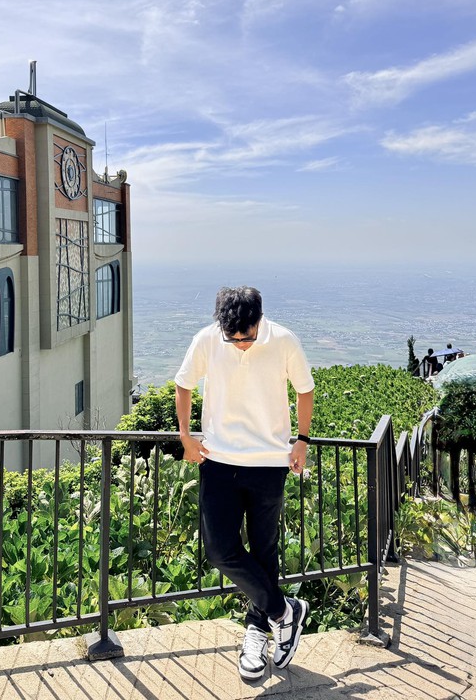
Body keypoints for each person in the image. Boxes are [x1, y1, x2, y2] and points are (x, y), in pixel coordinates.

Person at [175, 286, 315, 680]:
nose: (239, 343)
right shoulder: (207, 339)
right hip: (218, 462)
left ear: (259, 320)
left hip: (269, 465)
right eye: (232, 336)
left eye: (247, 336)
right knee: (220, 550)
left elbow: (305, 390)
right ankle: (284, 611)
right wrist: (185, 436)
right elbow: (183, 384)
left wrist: (302, 440)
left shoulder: (283, 340)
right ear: (221, 325)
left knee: (264, 551)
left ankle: (256, 633)